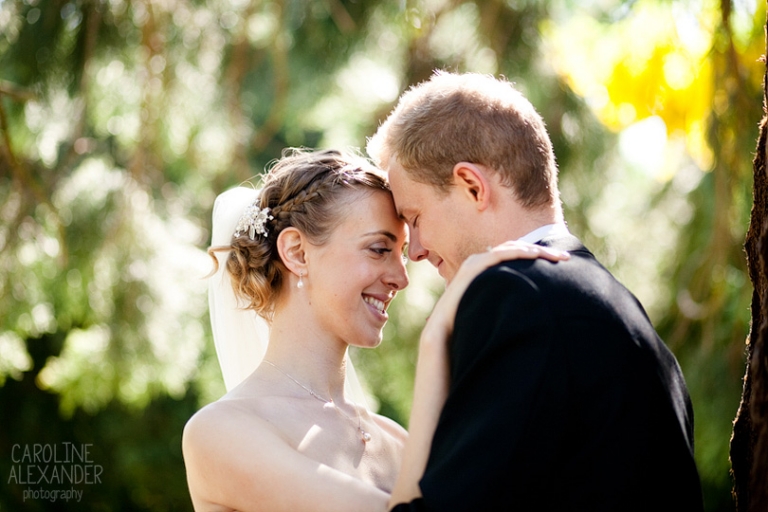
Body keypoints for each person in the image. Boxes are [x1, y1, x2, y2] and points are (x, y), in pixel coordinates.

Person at [366, 71, 704, 511]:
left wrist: (434, 342)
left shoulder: (516, 295)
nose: (415, 251)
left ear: (472, 186)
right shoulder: (610, 301)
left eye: (415, 218)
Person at [181, 148, 568, 512]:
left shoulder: (396, 440)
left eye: (402, 256)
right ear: (297, 252)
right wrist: (435, 340)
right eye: (379, 249)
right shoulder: (220, 432)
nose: (402, 278)